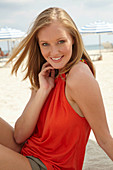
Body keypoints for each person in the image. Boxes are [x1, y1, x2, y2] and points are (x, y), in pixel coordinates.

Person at [0, 7, 113, 170]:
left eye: (61, 41)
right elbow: (19, 136)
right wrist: (42, 91)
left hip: (51, 166)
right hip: (27, 152)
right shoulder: (47, 74)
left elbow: (104, 139)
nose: (54, 52)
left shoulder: (79, 76)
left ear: (73, 39)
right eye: (45, 44)